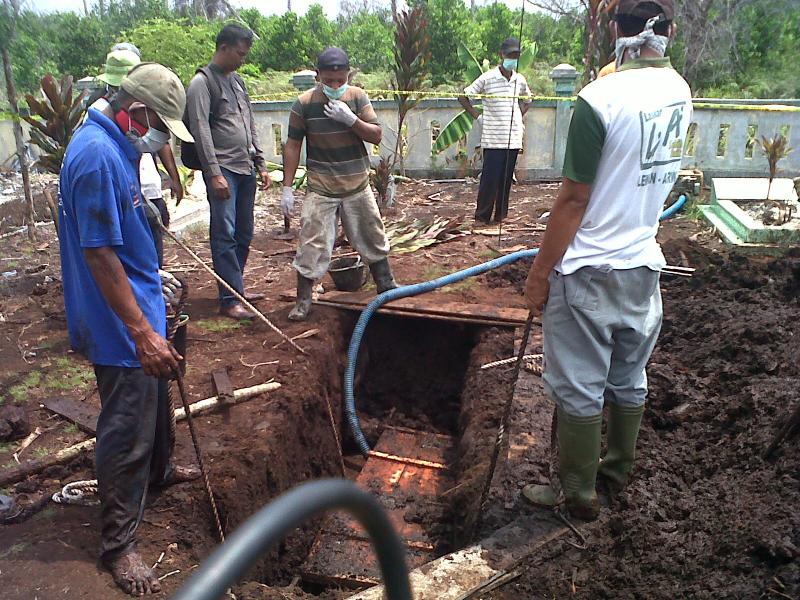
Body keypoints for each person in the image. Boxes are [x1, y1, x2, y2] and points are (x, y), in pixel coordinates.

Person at [522, 0, 691, 520]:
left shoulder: (599, 99)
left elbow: (574, 199)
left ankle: (578, 494)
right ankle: (615, 473)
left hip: (589, 269)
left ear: (617, 32)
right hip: (642, 263)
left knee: (580, 386)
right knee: (628, 377)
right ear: (669, 33)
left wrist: (539, 273)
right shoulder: (679, 90)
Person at [59, 62, 199, 596]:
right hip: (120, 323)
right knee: (127, 428)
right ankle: (119, 544)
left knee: (154, 404)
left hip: (139, 302)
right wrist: (141, 332)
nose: (161, 140)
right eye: (160, 127)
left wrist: (152, 275)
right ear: (136, 111)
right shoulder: (96, 156)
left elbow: (121, 230)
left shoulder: (116, 145)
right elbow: (98, 253)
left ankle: (159, 473)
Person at [281, 47, 397, 322]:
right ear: (318, 75)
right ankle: (303, 299)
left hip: (356, 183)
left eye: (340, 80)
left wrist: (351, 120)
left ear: (348, 75)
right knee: (312, 241)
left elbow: (376, 135)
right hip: (321, 186)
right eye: (329, 81)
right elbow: (293, 145)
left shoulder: (357, 97)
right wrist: (287, 187)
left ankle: (385, 283)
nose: (335, 86)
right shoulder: (304, 104)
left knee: (371, 233)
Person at [186, 23, 270, 320]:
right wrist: (214, 173)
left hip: (245, 166)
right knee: (225, 233)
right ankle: (229, 298)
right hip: (223, 168)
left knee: (244, 232)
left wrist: (260, 162)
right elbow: (200, 131)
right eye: (240, 54)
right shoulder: (201, 83)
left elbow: (249, 122)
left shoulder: (237, 82)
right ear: (223, 47)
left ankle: (236, 289)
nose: (242, 60)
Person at [89, 44, 184, 265]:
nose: (162, 134)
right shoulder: (99, 150)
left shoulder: (126, 137)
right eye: (161, 125)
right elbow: (100, 252)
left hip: (143, 190)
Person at [459, 38, 531, 225]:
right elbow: (464, 96)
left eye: (516, 56)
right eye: (510, 55)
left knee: (506, 180)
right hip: (493, 138)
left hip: (513, 138)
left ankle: (501, 216)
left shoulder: (519, 80)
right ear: (502, 55)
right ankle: (482, 216)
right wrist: (478, 116)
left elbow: (528, 100)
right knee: (490, 179)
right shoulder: (488, 78)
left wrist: (517, 116)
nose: (513, 59)